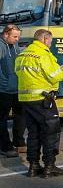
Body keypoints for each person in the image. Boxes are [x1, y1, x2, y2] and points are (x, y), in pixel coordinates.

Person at [15, 29, 63, 178]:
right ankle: (49, 166)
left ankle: (33, 166)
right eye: (50, 40)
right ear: (45, 39)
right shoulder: (43, 54)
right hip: (43, 100)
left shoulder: (22, 54)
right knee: (51, 132)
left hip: (26, 100)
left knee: (33, 133)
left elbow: (17, 72)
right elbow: (54, 76)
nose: (51, 43)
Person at [0, 24, 26, 158]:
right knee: (2, 119)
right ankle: (5, 146)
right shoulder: (1, 46)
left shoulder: (15, 46)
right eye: (15, 37)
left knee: (21, 116)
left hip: (17, 89)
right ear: (5, 35)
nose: (17, 39)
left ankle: (19, 143)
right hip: (3, 90)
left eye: (18, 37)